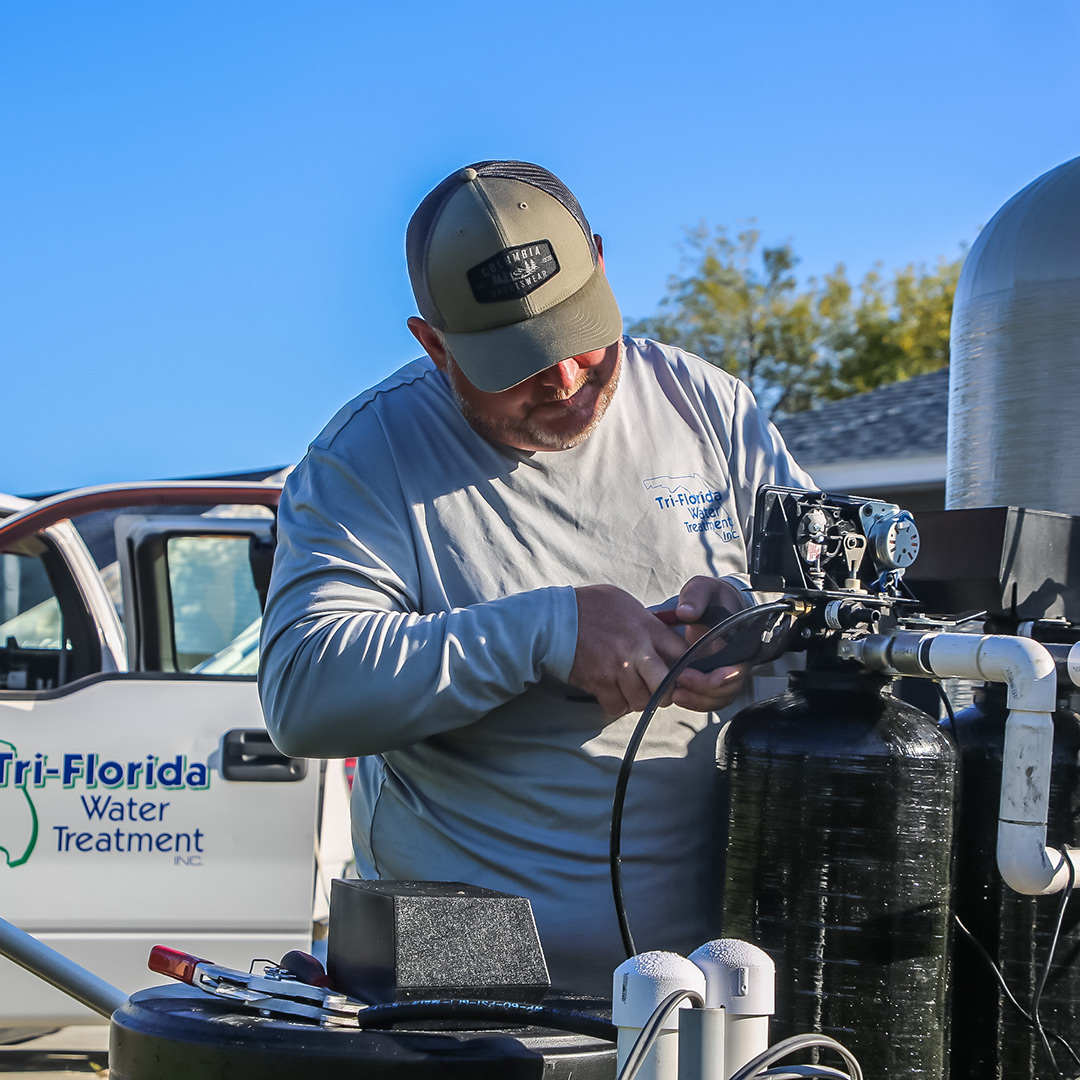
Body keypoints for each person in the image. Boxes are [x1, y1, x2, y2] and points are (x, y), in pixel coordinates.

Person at [259, 160, 813, 995]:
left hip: (708, 974)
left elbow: (833, 608)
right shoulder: (370, 454)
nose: (562, 379)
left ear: (602, 264)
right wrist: (548, 631)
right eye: (516, 361)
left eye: (575, 334)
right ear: (434, 345)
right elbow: (305, 692)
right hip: (461, 974)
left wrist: (750, 626)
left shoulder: (708, 407)